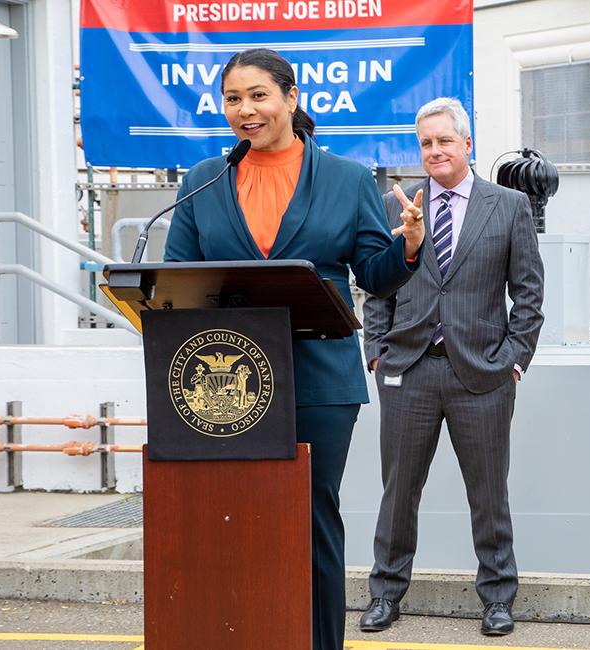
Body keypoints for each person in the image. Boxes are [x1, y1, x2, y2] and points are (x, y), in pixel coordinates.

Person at [163, 48, 421, 650]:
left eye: (258, 95)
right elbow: (175, 276)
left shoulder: (347, 178)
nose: (245, 110)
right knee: (230, 518)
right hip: (222, 381)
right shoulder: (203, 180)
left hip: (319, 379)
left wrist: (407, 246)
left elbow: (376, 275)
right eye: (233, 99)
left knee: (309, 515)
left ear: (291, 97)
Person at [359, 97, 545, 637]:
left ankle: (497, 598)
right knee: (398, 493)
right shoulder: (397, 206)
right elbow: (378, 284)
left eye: (444, 140)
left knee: (489, 494)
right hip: (408, 371)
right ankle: (386, 594)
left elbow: (528, 294)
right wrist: (377, 351)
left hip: (482, 375)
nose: (435, 151)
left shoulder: (507, 206)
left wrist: (513, 361)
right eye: (425, 143)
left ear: (468, 144)